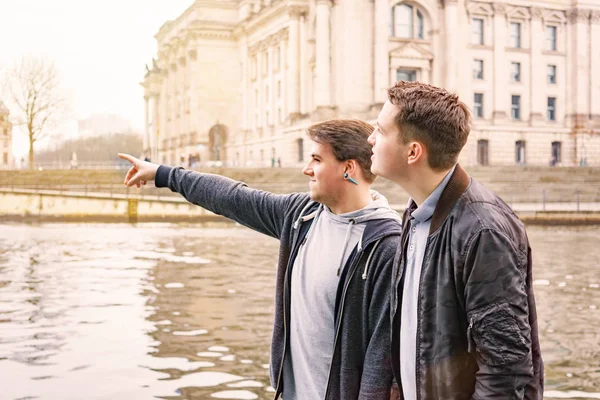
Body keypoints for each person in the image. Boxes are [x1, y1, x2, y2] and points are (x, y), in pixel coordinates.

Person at [119, 119, 401, 399]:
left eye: (316, 159)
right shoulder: (300, 215)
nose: (306, 170)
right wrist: (163, 174)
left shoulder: (385, 246)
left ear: (348, 169)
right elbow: (232, 198)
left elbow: (382, 360)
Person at [368, 81, 543, 399]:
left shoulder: (483, 231)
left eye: (380, 131)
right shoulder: (417, 211)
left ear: (413, 152)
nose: (370, 139)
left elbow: (506, 369)